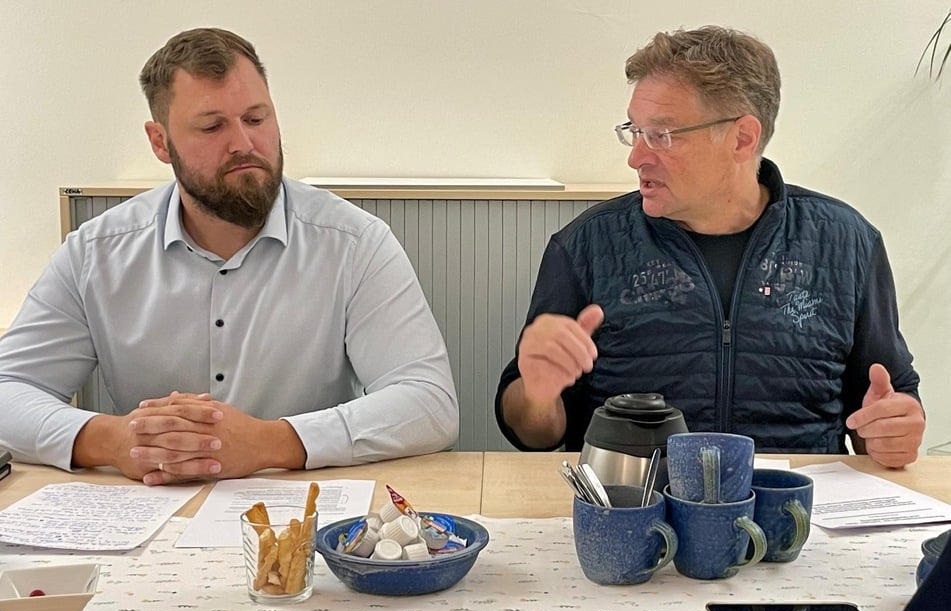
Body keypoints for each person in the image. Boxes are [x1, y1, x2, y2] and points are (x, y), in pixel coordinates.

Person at [0, 28, 458, 485]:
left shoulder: (353, 242)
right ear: (160, 142)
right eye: (212, 126)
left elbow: (429, 403)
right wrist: (115, 440)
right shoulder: (96, 254)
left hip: (306, 510)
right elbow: (9, 390)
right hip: (150, 510)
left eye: (256, 119)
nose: (243, 143)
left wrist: (271, 442)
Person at [495, 26, 924, 468]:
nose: (636, 157)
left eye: (661, 135)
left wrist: (895, 429)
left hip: (796, 512)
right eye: (634, 131)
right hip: (635, 510)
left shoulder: (846, 242)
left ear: (742, 138)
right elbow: (534, 433)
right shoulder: (587, 245)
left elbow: (887, 402)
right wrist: (538, 394)